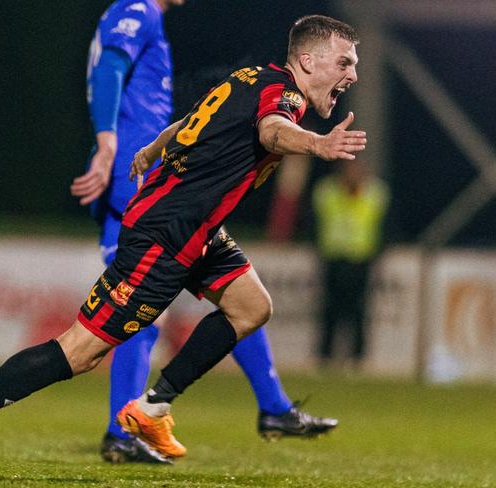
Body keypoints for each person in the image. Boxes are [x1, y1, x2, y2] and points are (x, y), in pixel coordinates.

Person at [0, 14, 365, 476]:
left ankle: (152, 407)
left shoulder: (252, 78)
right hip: (164, 234)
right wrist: (317, 145)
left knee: (251, 306)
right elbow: (272, 131)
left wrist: (152, 148)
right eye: (344, 62)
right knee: (80, 351)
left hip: (195, 229)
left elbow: (193, 121)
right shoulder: (283, 95)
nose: (352, 75)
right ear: (307, 61)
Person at [73, 0, 337, 464]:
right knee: (133, 316)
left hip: (161, 182)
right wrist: (108, 142)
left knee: (241, 296)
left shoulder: (139, 14)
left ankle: (272, 406)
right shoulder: (138, 9)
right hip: (140, 187)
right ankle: (122, 430)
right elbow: (111, 67)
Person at [312, 159, 389, 367]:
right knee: (330, 309)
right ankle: (325, 357)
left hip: (361, 260)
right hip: (333, 258)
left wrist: (379, 253)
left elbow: (385, 226)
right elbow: (312, 221)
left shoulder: (376, 193)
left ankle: (357, 359)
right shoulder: (326, 190)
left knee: (358, 311)